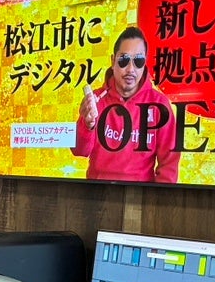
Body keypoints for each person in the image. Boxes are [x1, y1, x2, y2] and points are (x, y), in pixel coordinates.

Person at [71, 26, 179, 182]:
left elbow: (169, 166)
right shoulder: (96, 99)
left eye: (138, 61)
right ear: (113, 61)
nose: (130, 69)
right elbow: (79, 150)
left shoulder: (159, 105)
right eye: (124, 60)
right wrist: (86, 126)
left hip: (139, 194)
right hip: (97, 192)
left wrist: (156, 196)